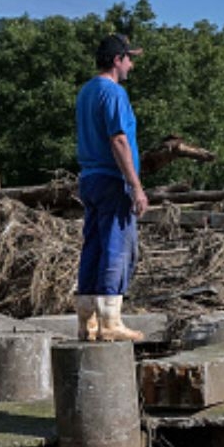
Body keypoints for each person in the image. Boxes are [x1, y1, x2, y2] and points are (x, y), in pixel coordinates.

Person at [74, 33, 147, 342]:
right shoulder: (113, 93)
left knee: (93, 245)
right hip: (111, 179)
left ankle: (86, 321)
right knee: (118, 247)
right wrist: (135, 185)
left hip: (89, 178)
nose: (131, 65)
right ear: (117, 60)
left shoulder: (86, 91)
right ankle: (110, 322)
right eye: (129, 59)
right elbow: (118, 139)